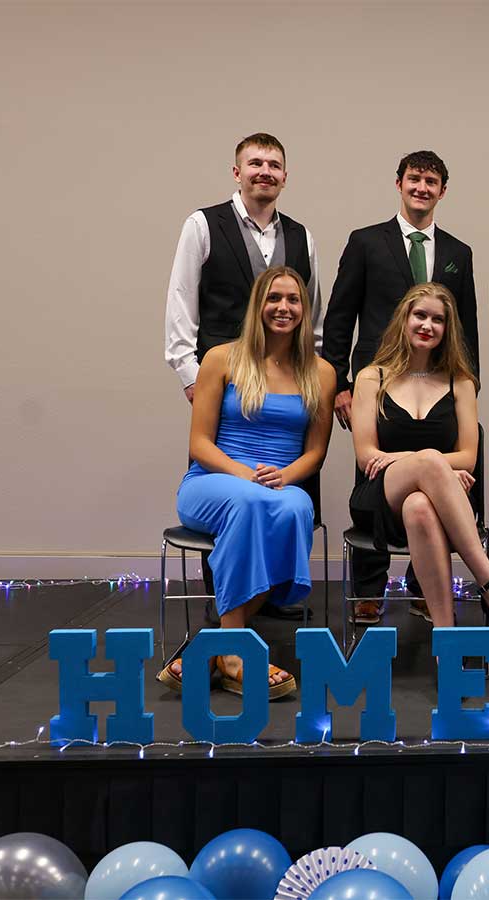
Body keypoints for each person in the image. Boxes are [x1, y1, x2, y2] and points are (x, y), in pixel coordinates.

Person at [164, 132, 322, 623]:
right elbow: (181, 301)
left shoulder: (301, 236)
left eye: (274, 165)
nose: (265, 172)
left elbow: (311, 314)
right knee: (241, 496)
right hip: (225, 376)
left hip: (286, 375)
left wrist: (307, 376)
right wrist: (193, 376)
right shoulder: (203, 224)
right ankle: (229, 611)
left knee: (289, 503)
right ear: (238, 172)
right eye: (255, 163)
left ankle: (259, 603)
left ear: (285, 176)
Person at [157, 266, 336, 698]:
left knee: (298, 507)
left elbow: (315, 452)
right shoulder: (221, 358)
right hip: (213, 481)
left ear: (304, 309)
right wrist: (245, 476)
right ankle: (237, 653)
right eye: (274, 298)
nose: (284, 307)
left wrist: (286, 476)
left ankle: (217, 645)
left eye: (293, 300)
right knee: (248, 503)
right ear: (259, 304)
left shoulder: (322, 372)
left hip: (278, 485)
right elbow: (199, 443)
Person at [323, 150, 480, 623]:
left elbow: (465, 327)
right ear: (399, 183)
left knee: (427, 489)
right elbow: (339, 314)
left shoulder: (457, 253)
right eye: (415, 179)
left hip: (437, 386)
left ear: (442, 191)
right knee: (373, 473)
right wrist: (341, 383)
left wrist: (465, 395)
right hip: (377, 382)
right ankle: (369, 588)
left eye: (432, 181)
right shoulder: (367, 242)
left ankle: (422, 585)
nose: (422, 188)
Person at [350, 284, 489, 638]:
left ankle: (446, 638)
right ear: (404, 319)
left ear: (447, 328)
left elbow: (468, 459)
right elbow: (367, 454)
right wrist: (433, 465)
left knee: (420, 506)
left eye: (437, 319)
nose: (427, 325)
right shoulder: (371, 377)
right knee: (427, 466)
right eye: (420, 315)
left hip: (441, 503)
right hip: (380, 498)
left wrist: (427, 470)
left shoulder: (461, 381)